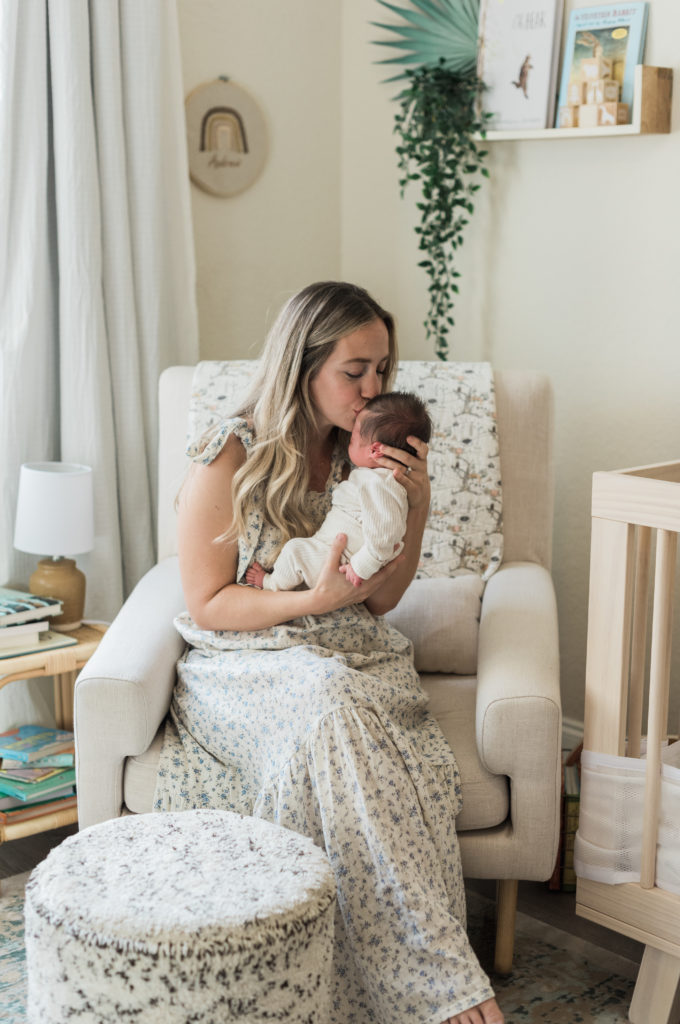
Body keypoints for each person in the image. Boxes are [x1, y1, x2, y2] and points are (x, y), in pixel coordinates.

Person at [154, 281, 504, 1024]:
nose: (373, 388)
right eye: (355, 372)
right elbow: (210, 601)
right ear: (303, 366)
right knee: (332, 702)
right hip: (243, 660)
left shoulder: (365, 452)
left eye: (383, 369)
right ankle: (441, 984)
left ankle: (383, 980)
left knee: (343, 707)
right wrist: (306, 605)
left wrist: (419, 502)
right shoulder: (230, 453)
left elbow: (380, 600)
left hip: (346, 650)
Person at [245, 391, 432, 592]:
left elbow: (385, 536)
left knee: (294, 551)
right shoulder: (377, 481)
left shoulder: (379, 483)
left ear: (375, 450)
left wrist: (360, 567)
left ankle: (270, 584)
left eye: (353, 438)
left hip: (342, 562)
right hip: (337, 554)